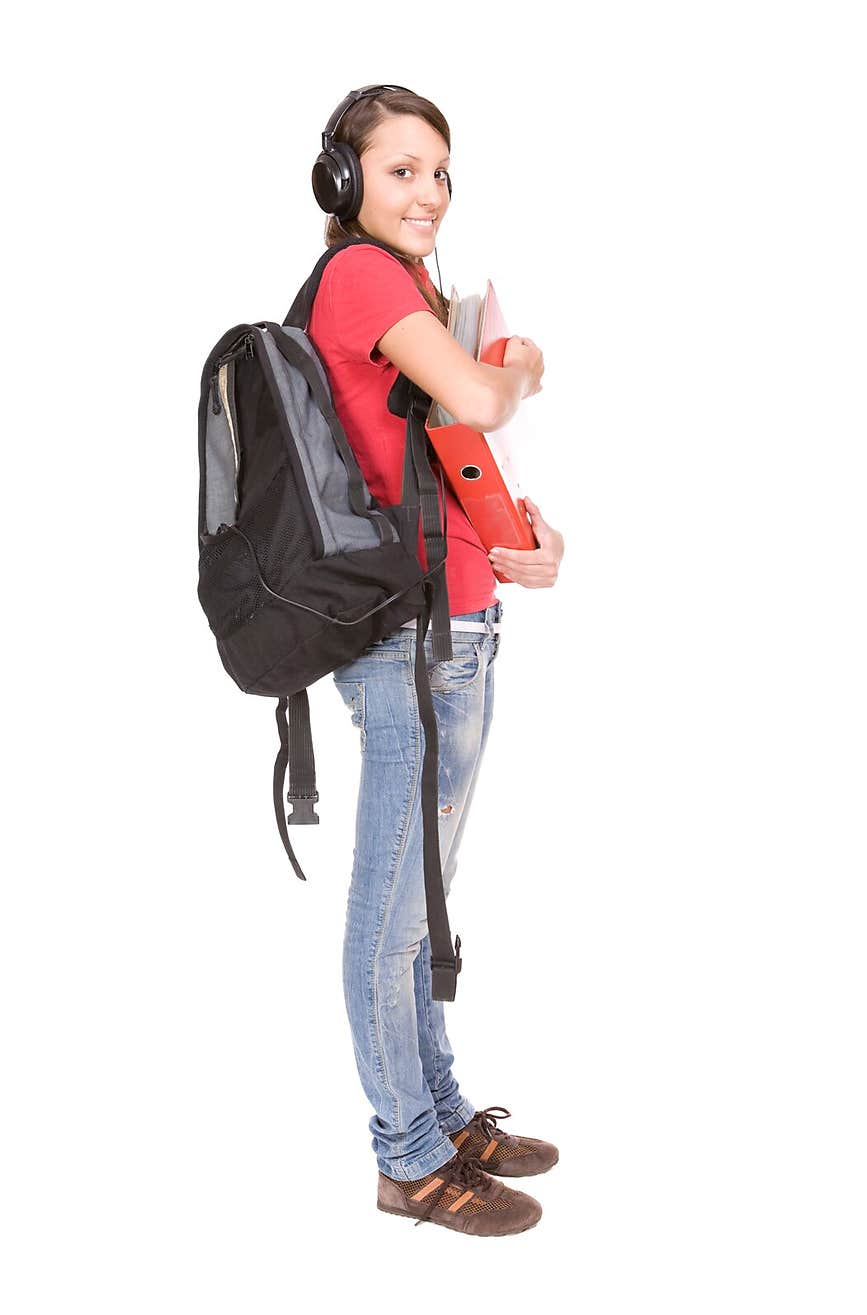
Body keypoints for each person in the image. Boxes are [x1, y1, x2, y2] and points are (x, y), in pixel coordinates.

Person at [306, 86, 565, 1235]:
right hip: (407, 641)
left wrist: (527, 541)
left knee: (422, 902)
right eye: (401, 169)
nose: (427, 193)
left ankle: (442, 1110)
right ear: (346, 181)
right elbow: (477, 398)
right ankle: (405, 1158)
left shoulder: (412, 291)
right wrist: (523, 366)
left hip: (453, 622)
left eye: (440, 172)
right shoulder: (362, 276)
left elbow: (450, 453)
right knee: (392, 913)